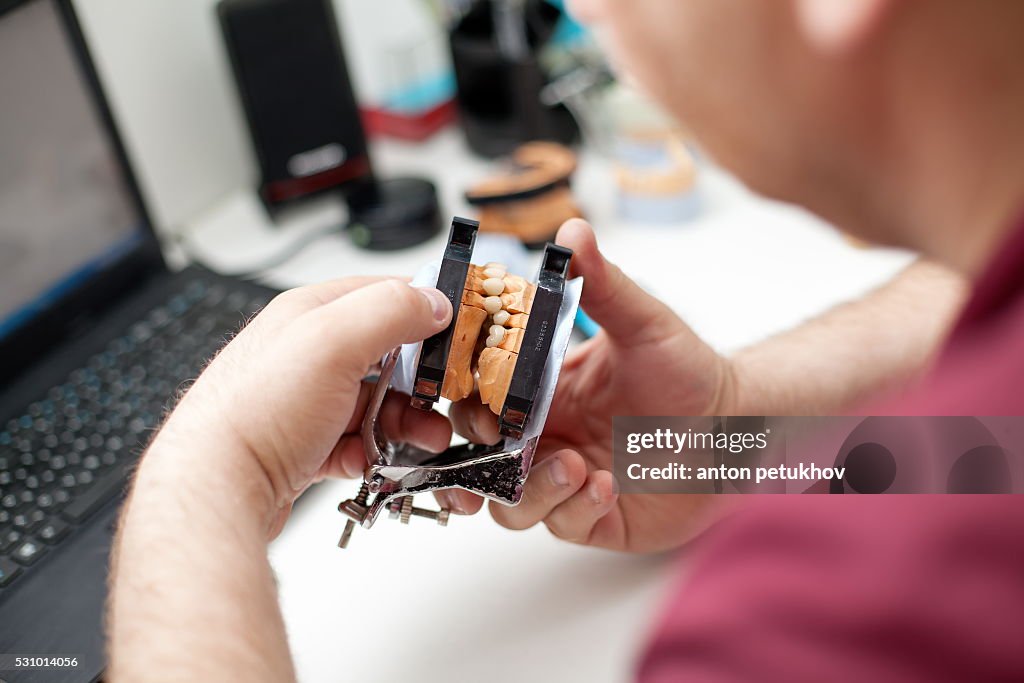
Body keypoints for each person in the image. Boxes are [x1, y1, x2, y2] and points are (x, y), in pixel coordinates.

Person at [107, 0, 1024, 681]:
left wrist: (210, 476)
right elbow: (994, 442)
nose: (583, 11)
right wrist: (719, 443)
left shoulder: (815, 627)